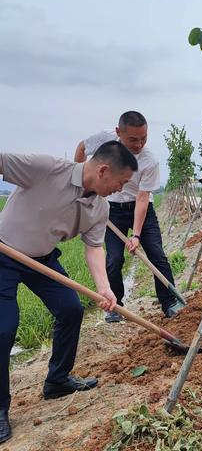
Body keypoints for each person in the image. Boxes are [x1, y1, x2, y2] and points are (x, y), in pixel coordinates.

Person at [0, 141, 137, 444]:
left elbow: (94, 247)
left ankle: (57, 380)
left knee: (71, 310)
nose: (121, 188)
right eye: (122, 182)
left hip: (43, 260)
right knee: (3, 328)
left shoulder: (100, 207)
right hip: (4, 254)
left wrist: (104, 288)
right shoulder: (46, 169)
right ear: (103, 170)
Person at [75, 111, 182, 322]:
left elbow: (142, 198)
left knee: (157, 255)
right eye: (133, 139)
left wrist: (137, 235)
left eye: (143, 138)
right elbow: (81, 148)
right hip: (111, 210)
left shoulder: (149, 161)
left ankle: (170, 302)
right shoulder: (104, 139)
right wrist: (80, 185)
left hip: (141, 209)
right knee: (114, 258)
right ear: (118, 133)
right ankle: (116, 307)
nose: (139, 144)